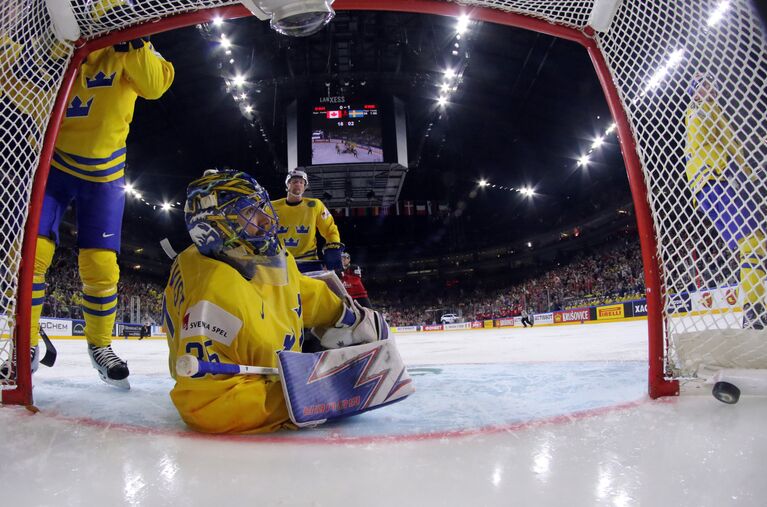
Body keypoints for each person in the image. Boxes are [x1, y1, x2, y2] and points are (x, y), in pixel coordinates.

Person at [163, 170, 391, 433]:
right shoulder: (213, 294)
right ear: (215, 226)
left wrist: (345, 314)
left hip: (267, 362)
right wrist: (308, 396)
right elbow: (209, 403)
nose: (266, 219)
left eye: (261, 207)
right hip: (248, 386)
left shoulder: (242, 253)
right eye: (249, 213)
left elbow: (292, 289)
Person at [29, 36, 175, 388]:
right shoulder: (52, 42)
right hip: (54, 164)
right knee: (33, 255)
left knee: (101, 265)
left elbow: (155, 85)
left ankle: (100, 346)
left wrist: (133, 44)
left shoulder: (127, 45)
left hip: (103, 175)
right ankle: (25, 342)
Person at [684, 71, 766, 329]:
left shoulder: (701, 111)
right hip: (717, 178)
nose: (712, 89)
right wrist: (750, 172)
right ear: (695, 91)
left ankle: (756, 309)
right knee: (753, 243)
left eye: (711, 85)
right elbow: (730, 145)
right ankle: (755, 314)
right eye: (704, 86)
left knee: (757, 243)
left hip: (712, 182)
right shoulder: (702, 109)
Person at [271, 169, 344, 273]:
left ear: (305, 187)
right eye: (295, 181)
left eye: (301, 182)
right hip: (281, 263)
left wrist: (333, 245)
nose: (298, 184)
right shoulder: (271, 207)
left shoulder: (315, 205)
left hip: (309, 262)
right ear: (287, 184)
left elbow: (329, 229)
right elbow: (261, 230)